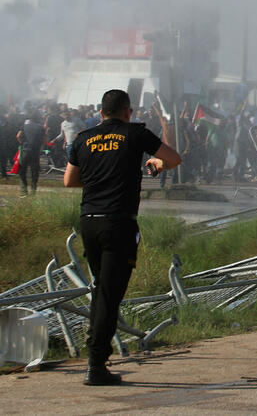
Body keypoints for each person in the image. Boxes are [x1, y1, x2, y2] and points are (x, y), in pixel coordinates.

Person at [63, 89, 182, 386]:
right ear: (127, 112)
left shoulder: (83, 137)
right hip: (118, 223)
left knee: (101, 289)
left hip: (89, 222)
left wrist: (99, 178)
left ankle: (95, 360)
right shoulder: (134, 134)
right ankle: (96, 364)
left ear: (101, 112)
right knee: (109, 295)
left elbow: (69, 180)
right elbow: (173, 158)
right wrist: (155, 164)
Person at [16, 112, 45, 196]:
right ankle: (33, 191)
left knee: (22, 171)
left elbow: (18, 136)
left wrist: (22, 143)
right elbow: (44, 140)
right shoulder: (40, 127)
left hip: (25, 151)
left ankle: (23, 191)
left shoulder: (25, 125)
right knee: (34, 172)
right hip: (35, 152)